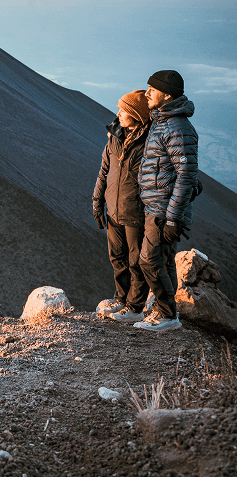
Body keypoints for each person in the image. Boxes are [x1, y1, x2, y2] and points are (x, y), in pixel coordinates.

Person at [134, 70, 198, 332]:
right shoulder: (163, 122)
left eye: (152, 89)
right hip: (156, 205)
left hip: (163, 210)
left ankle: (166, 314)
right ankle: (167, 314)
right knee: (163, 260)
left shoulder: (178, 128)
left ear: (167, 95)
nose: (146, 93)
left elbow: (186, 176)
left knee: (148, 260)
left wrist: (172, 217)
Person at [93, 90, 151, 322]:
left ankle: (135, 308)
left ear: (136, 114)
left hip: (136, 212)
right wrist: (97, 202)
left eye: (123, 110)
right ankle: (121, 299)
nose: (118, 113)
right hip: (113, 210)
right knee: (117, 257)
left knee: (136, 261)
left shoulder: (149, 143)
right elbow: (104, 171)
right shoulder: (115, 137)